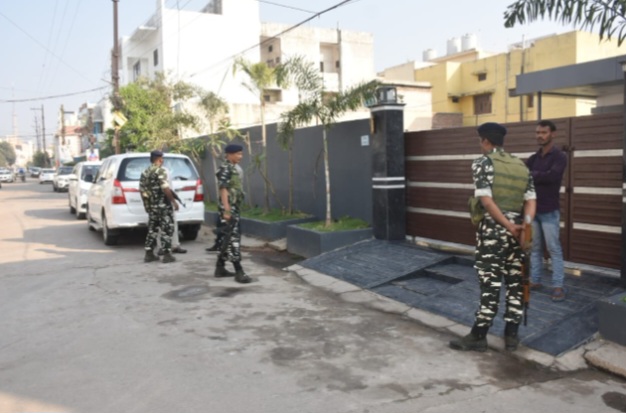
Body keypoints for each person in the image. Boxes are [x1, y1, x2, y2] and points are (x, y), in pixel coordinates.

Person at [450, 122, 536, 353]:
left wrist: (507, 225)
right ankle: (512, 336)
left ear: (485, 141)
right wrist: (524, 228)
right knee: (516, 283)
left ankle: (479, 336)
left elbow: (486, 201)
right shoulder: (521, 165)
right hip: (519, 233)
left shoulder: (483, 163)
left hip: (494, 231)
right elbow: (531, 200)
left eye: (480, 141)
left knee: (490, 284)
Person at [525, 120, 568, 302]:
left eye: (543, 132)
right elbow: (524, 177)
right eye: (538, 133)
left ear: (553, 134)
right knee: (535, 248)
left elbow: (553, 177)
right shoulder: (533, 158)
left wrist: (533, 175)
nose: (540, 136)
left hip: (549, 210)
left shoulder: (560, 156)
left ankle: (558, 286)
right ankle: (535, 280)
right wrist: (537, 175)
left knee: (553, 249)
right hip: (533, 209)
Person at [214, 144, 251, 283]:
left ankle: (220, 267)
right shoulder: (226, 168)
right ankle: (239, 271)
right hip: (229, 208)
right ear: (229, 154)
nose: (240, 156)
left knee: (226, 238)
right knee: (233, 238)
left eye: (241, 154)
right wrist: (227, 209)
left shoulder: (233, 168)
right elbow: (223, 189)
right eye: (237, 154)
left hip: (234, 207)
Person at [140, 150, 179, 264]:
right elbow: (165, 187)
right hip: (163, 206)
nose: (163, 160)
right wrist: (173, 201)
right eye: (162, 158)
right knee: (167, 229)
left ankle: (149, 254)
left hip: (152, 206)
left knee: (152, 230)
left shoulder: (145, 172)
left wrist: (147, 205)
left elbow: (142, 191)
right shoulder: (160, 171)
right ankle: (167, 255)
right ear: (160, 159)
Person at [156, 163, 187, 255]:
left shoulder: (165, 170)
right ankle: (162, 247)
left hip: (166, 201)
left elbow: (169, 188)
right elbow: (166, 188)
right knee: (161, 225)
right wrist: (173, 201)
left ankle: (175, 245)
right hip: (161, 202)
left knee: (173, 223)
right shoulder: (158, 171)